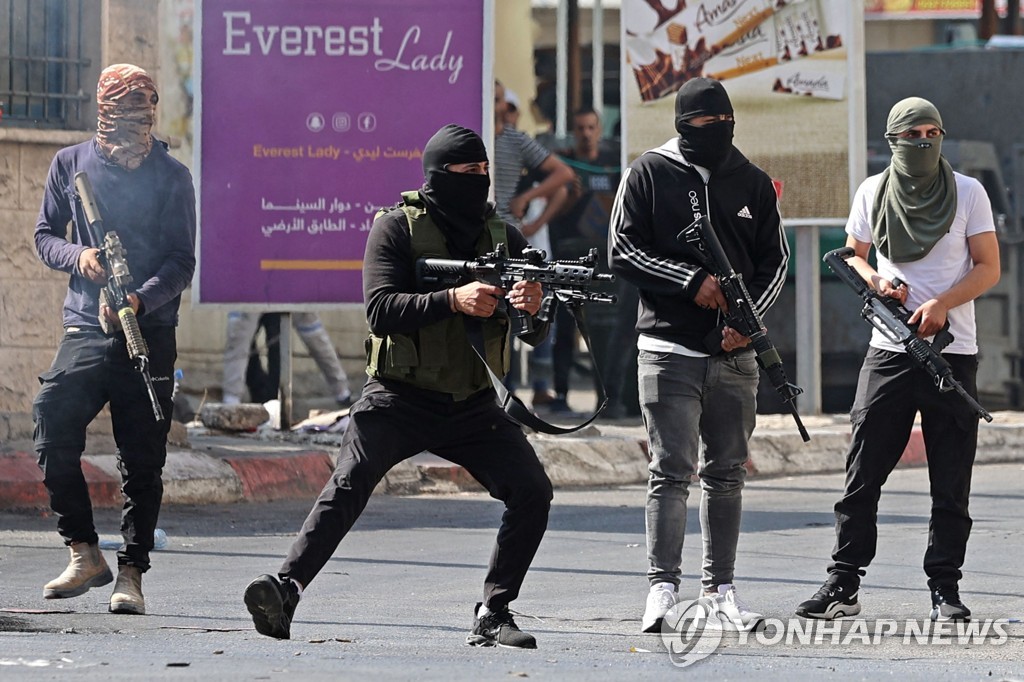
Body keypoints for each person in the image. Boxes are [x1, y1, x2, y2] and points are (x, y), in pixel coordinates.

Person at [243, 124, 553, 648]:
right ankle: (286, 588)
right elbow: (380, 309)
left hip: (472, 402)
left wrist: (534, 307)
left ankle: (495, 610)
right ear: (438, 176)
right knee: (349, 483)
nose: (478, 181)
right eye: (467, 173)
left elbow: (534, 336)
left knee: (533, 491)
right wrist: (452, 300)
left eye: (485, 172)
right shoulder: (396, 229)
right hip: (398, 396)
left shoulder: (503, 235)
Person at [795, 97, 1000, 623]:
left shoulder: (969, 193)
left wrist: (942, 304)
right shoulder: (873, 192)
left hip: (952, 353)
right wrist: (879, 283)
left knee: (950, 482)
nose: (925, 141)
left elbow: (988, 267)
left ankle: (945, 588)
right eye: (913, 134)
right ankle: (843, 582)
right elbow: (852, 256)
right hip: (889, 350)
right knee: (862, 473)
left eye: (933, 131)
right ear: (893, 141)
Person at [609, 77, 789, 632]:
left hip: (735, 356)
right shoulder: (649, 172)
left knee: (728, 473)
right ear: (682, 125)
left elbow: (775, 263)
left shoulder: (752, 182)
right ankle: (662, 591)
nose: (716, 133)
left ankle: (720, 591)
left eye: (724, 123)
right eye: (703, 126)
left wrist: (744, 321)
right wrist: (691, 282)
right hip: (668, 348)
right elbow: (622, 248)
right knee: (670, 470)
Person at [32, 64, 196, 615]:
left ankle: (132, 572)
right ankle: (83, 550)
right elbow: (44, 237)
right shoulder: (70, 164)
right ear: (104, 111)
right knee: (52, 424)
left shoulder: (173, 177)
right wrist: (80, 257)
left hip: (148, 330)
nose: (135, 124)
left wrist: (139, 299)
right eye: (124, 112)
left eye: (143, 111)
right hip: (85, 326)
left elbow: (181, 261)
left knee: (142, 460)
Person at [493, 80, 574, 408]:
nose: (495, 104)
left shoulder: (514, 140)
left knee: (523, 314)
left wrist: (526, 198)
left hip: (510, 239)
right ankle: (500, 392)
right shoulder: (470, 136)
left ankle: (519, 393)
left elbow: (563, 175)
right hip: (474, 240)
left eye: (498, 98)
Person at [548, 108, 622, 415]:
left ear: (599, 129)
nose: (586, 133)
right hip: (569, 252)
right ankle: (561, 393)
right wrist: (570, 199)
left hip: (604, 255)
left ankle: (607, 398)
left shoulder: (612, 164)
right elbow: (553, 212)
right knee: (565, 325)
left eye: (591, 127)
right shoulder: (563, 164)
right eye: (580, 128)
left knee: (604, 330)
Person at [222, 311, 352, 406]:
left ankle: (342, 392)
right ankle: (231, 400)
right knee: (238, 335)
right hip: (254, 283)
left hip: (287, 281)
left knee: (313, 334)